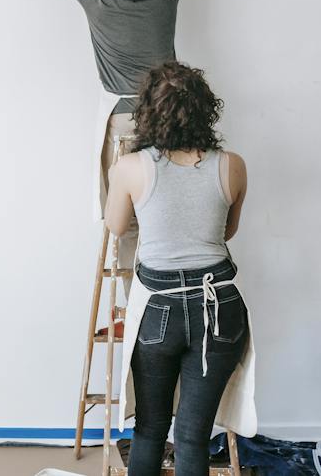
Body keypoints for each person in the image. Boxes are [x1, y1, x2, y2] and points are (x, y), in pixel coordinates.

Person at [1, 0, 187, 313]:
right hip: (169, 122)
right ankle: (165, 302)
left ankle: (136, 307)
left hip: (124, 126)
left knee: (124, 220)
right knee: (164, 214)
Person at [105, 61, 256, 476]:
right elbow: (227, 230)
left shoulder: (131, 168)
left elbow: (116, 227)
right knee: (192, 435)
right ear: (205, 109)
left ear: (148, 112)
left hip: (159, 310)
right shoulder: (233, 165)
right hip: (219, 308)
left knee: (151, 430)